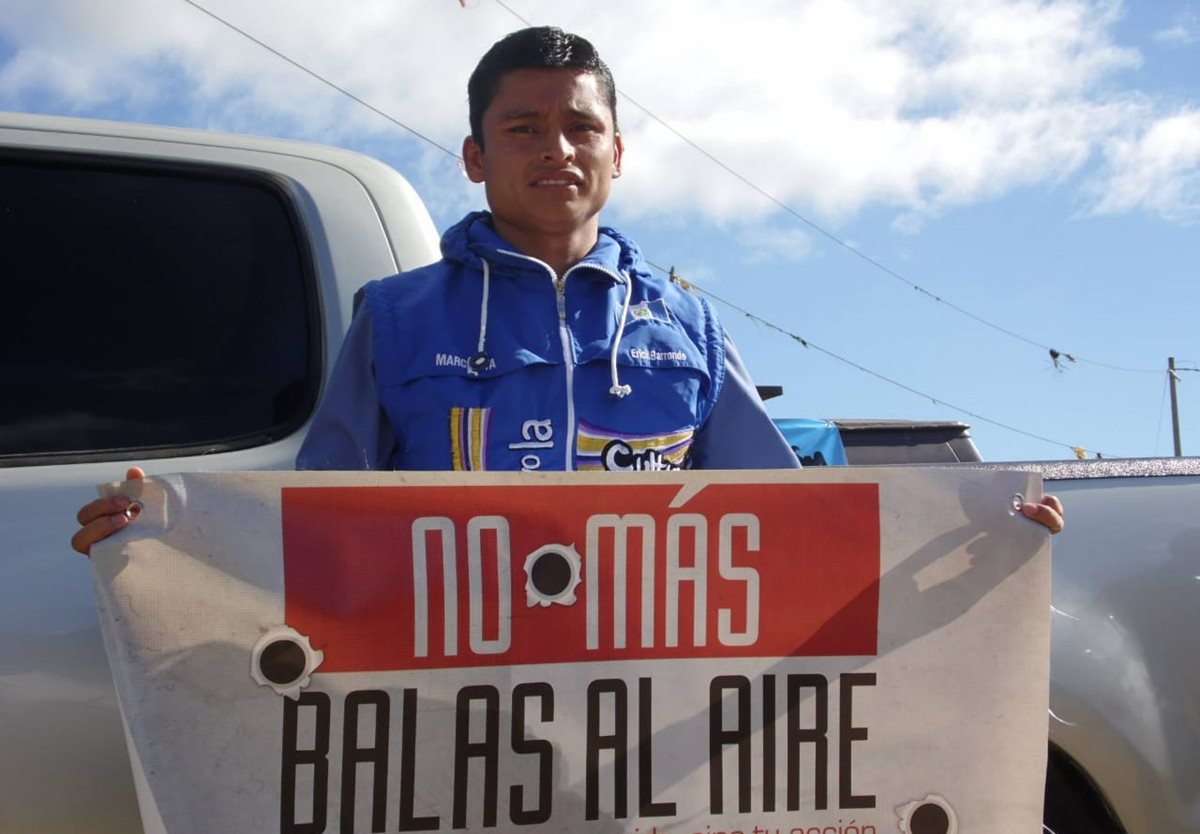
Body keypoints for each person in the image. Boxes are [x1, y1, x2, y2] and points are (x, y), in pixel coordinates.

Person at [71, 26, 1064, 555]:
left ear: (617, 152)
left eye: (580, 127)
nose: (556, 148)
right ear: (473, 154)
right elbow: (313, 520)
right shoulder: (399, 318)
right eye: (522, 127)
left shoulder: (691, 327)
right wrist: (172, 532)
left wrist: (969, 536)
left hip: (650, 713)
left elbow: (787, 521)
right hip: (454, 710)